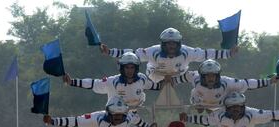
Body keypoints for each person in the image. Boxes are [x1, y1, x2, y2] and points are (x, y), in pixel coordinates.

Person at [99, 28, 238, 83]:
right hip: (156, 75)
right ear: (162, 44)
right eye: (167, 43)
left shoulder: (187, 52)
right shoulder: (153, 51)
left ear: (179, 43)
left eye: (174, 43)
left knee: (197, 76)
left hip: (179, 75)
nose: (171, 46)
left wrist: (228, 54)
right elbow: (132, 54)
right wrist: (110, 52)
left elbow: (207, 54)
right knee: (153, 76)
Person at [172, 59, 279, 112]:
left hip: (219, 105)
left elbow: (248, 83)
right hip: (200, 102)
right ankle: (200, 107)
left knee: (233, 98)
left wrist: (269, 81)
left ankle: (210, 111)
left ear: (218, 75)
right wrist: (172, 81)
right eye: (207, 76)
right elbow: (183, 77)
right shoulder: (195, 77)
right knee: (195, 94)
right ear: (202, 76)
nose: (210, 78)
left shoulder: (227, 82)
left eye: (213, 75)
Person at [63, 52, 160, 109]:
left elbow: (154, 86)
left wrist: (167, 82)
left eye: (132, 67)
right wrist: (72, 82)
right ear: (122, 68)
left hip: (137, 114)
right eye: (127, 67)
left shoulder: (142, 78)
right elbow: (93, 83)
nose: (130, 70)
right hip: (115, 117)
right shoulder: (112, 82)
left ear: (136, 68)